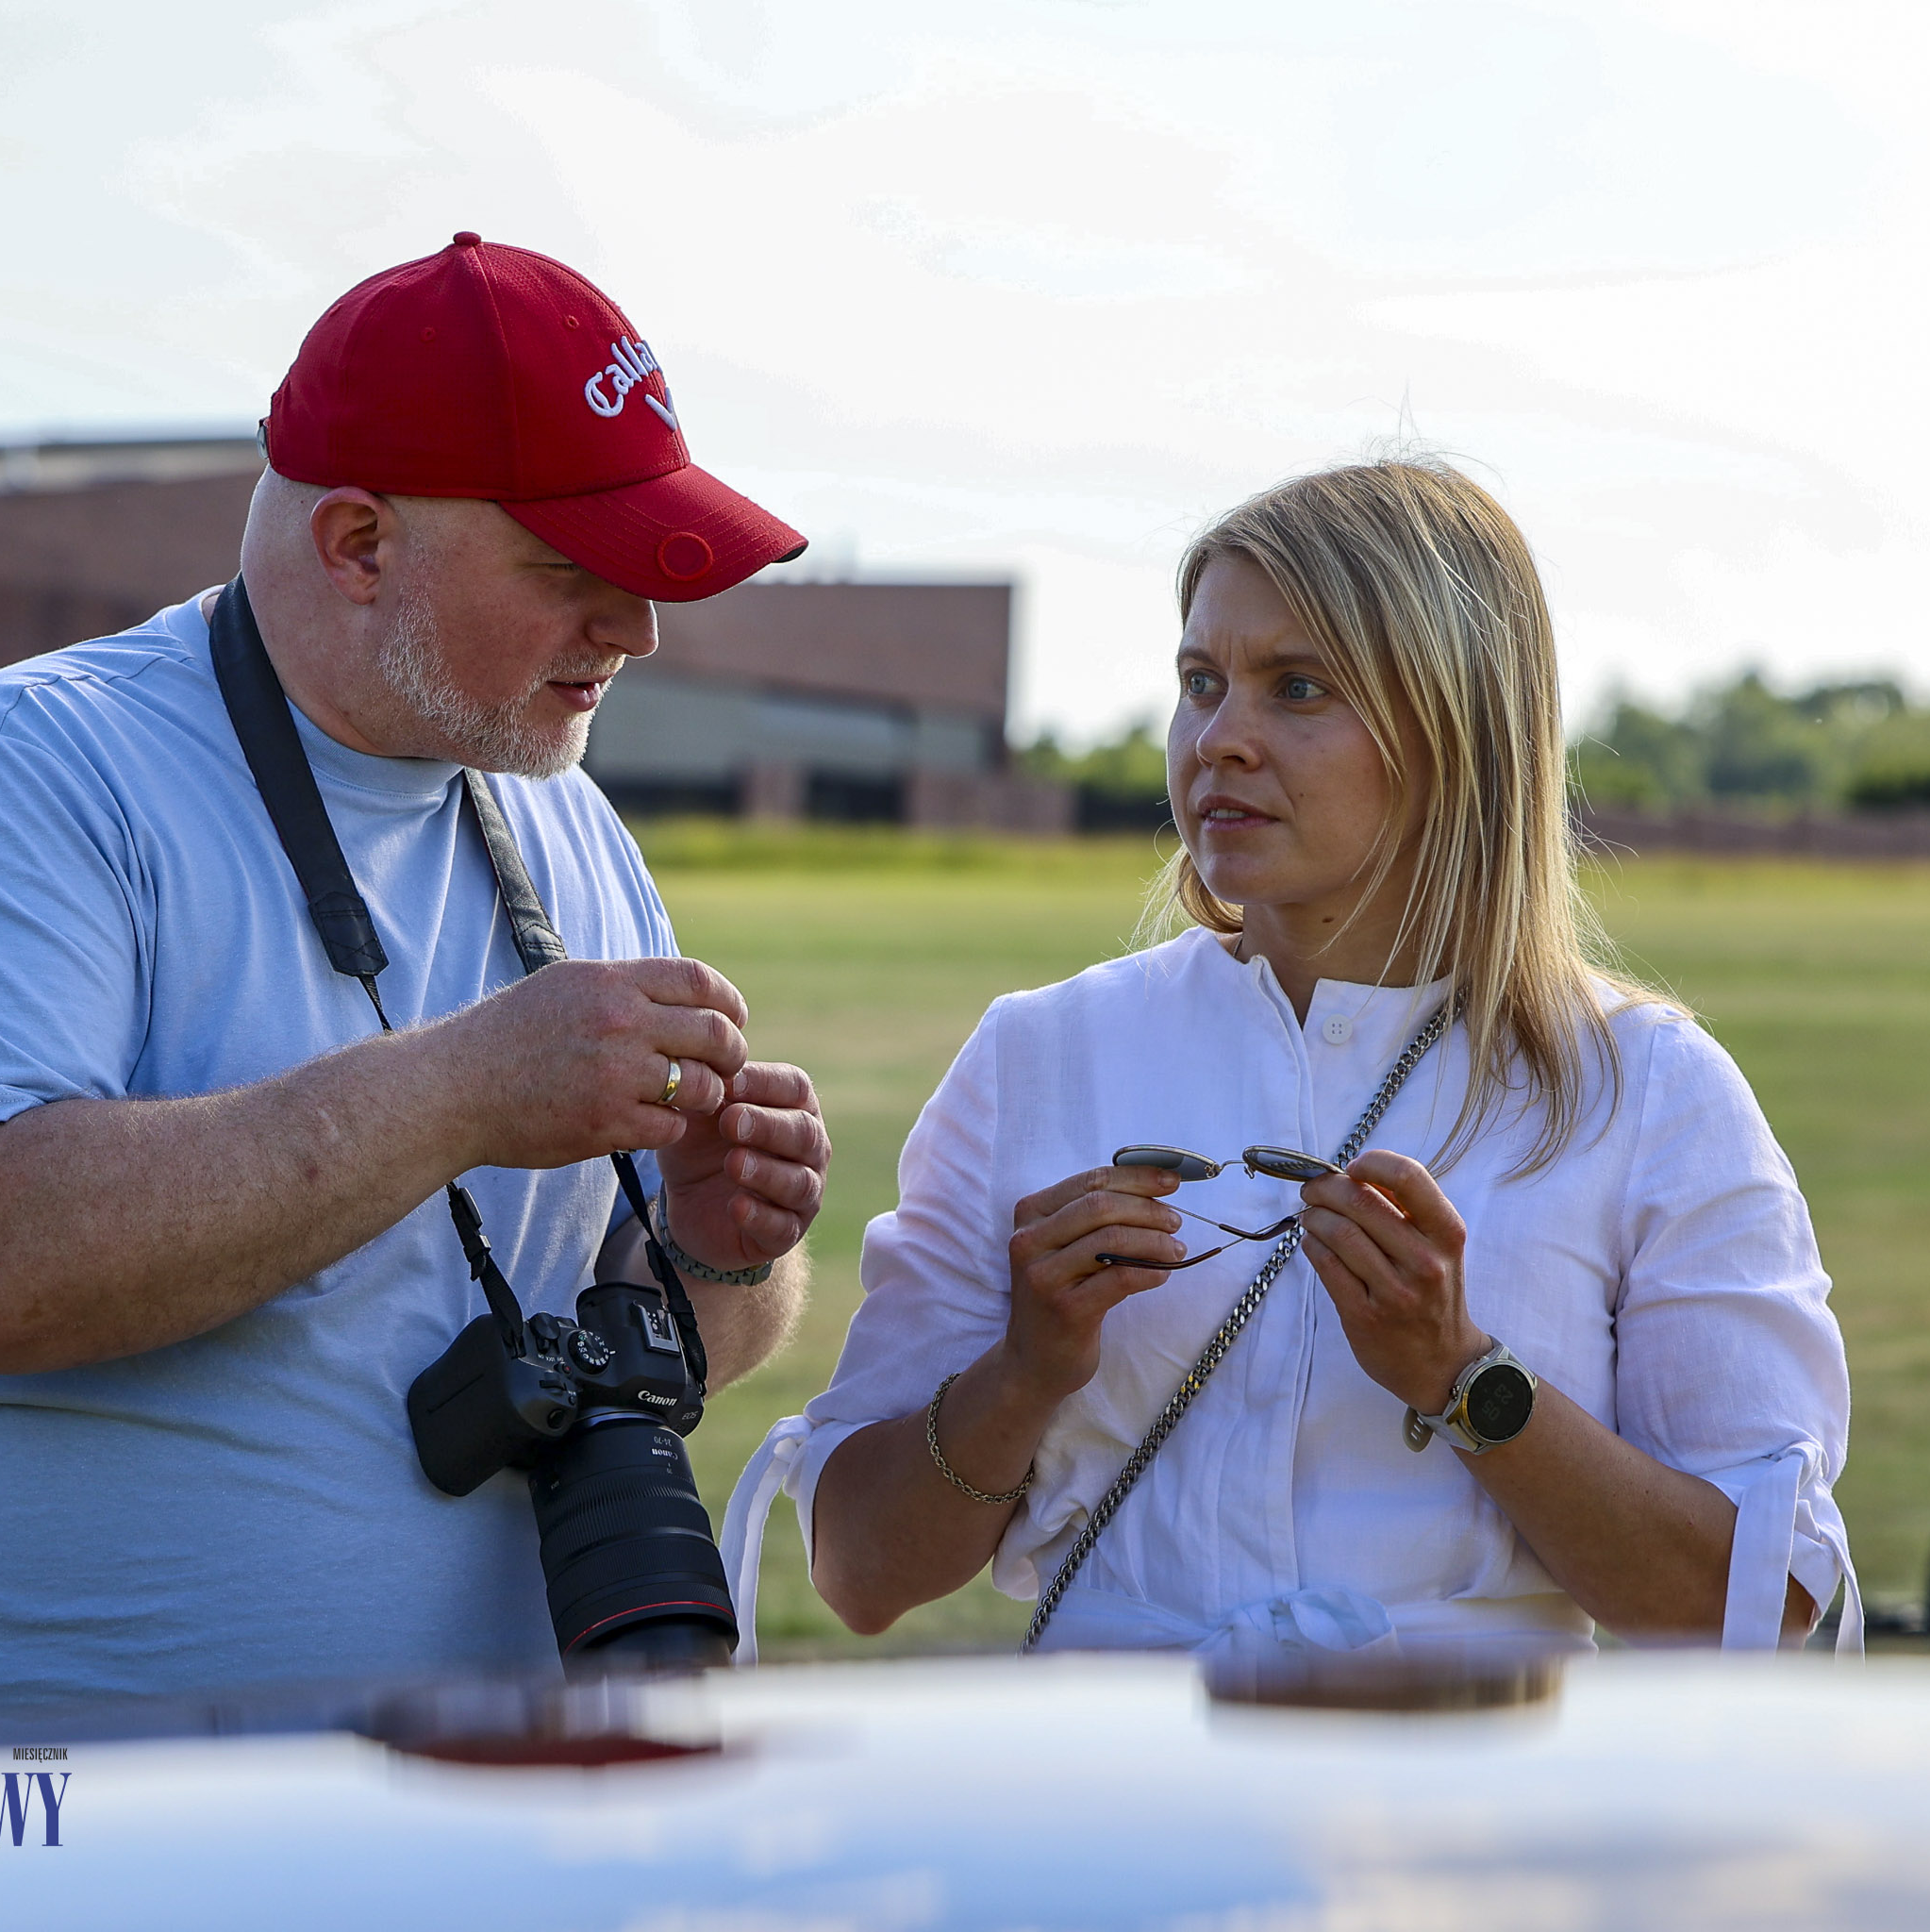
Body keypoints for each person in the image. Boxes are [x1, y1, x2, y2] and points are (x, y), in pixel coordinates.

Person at [0, 234, 834, 1756]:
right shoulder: (21, 771)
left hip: (457, 1805)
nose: (634, 631)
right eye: (573, 572)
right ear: (360, 541)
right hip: (9, 1800)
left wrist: (716, 1251)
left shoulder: (560, 812)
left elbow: (631, 1341)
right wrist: (462, 1089)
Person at [727, 458, 1854, 1663]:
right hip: (1126, 1808)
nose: (1221, 740)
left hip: (1473, 1811)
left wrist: (1463, 1377)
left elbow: (1760, 1614)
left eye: (1296, 687)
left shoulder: (1646, 1090)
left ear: (1454, 727)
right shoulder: (1042, 1053)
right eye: (1201, 683)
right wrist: (1027, 1369)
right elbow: (856, 1570)